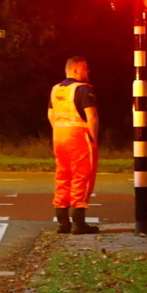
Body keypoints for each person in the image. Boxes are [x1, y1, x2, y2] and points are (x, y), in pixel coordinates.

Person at [48, 56, 99, 234]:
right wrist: (93, 138)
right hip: (79, 136)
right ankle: (78, 222)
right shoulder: (83, 89)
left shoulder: (56, 90)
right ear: (76, 70)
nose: (88, 71)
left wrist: (59, 129)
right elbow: (91, 116)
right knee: (82, 176)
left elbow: (51, 115)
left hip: (59, 136)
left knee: (63, 175)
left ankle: (63, 222)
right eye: (85, 68)